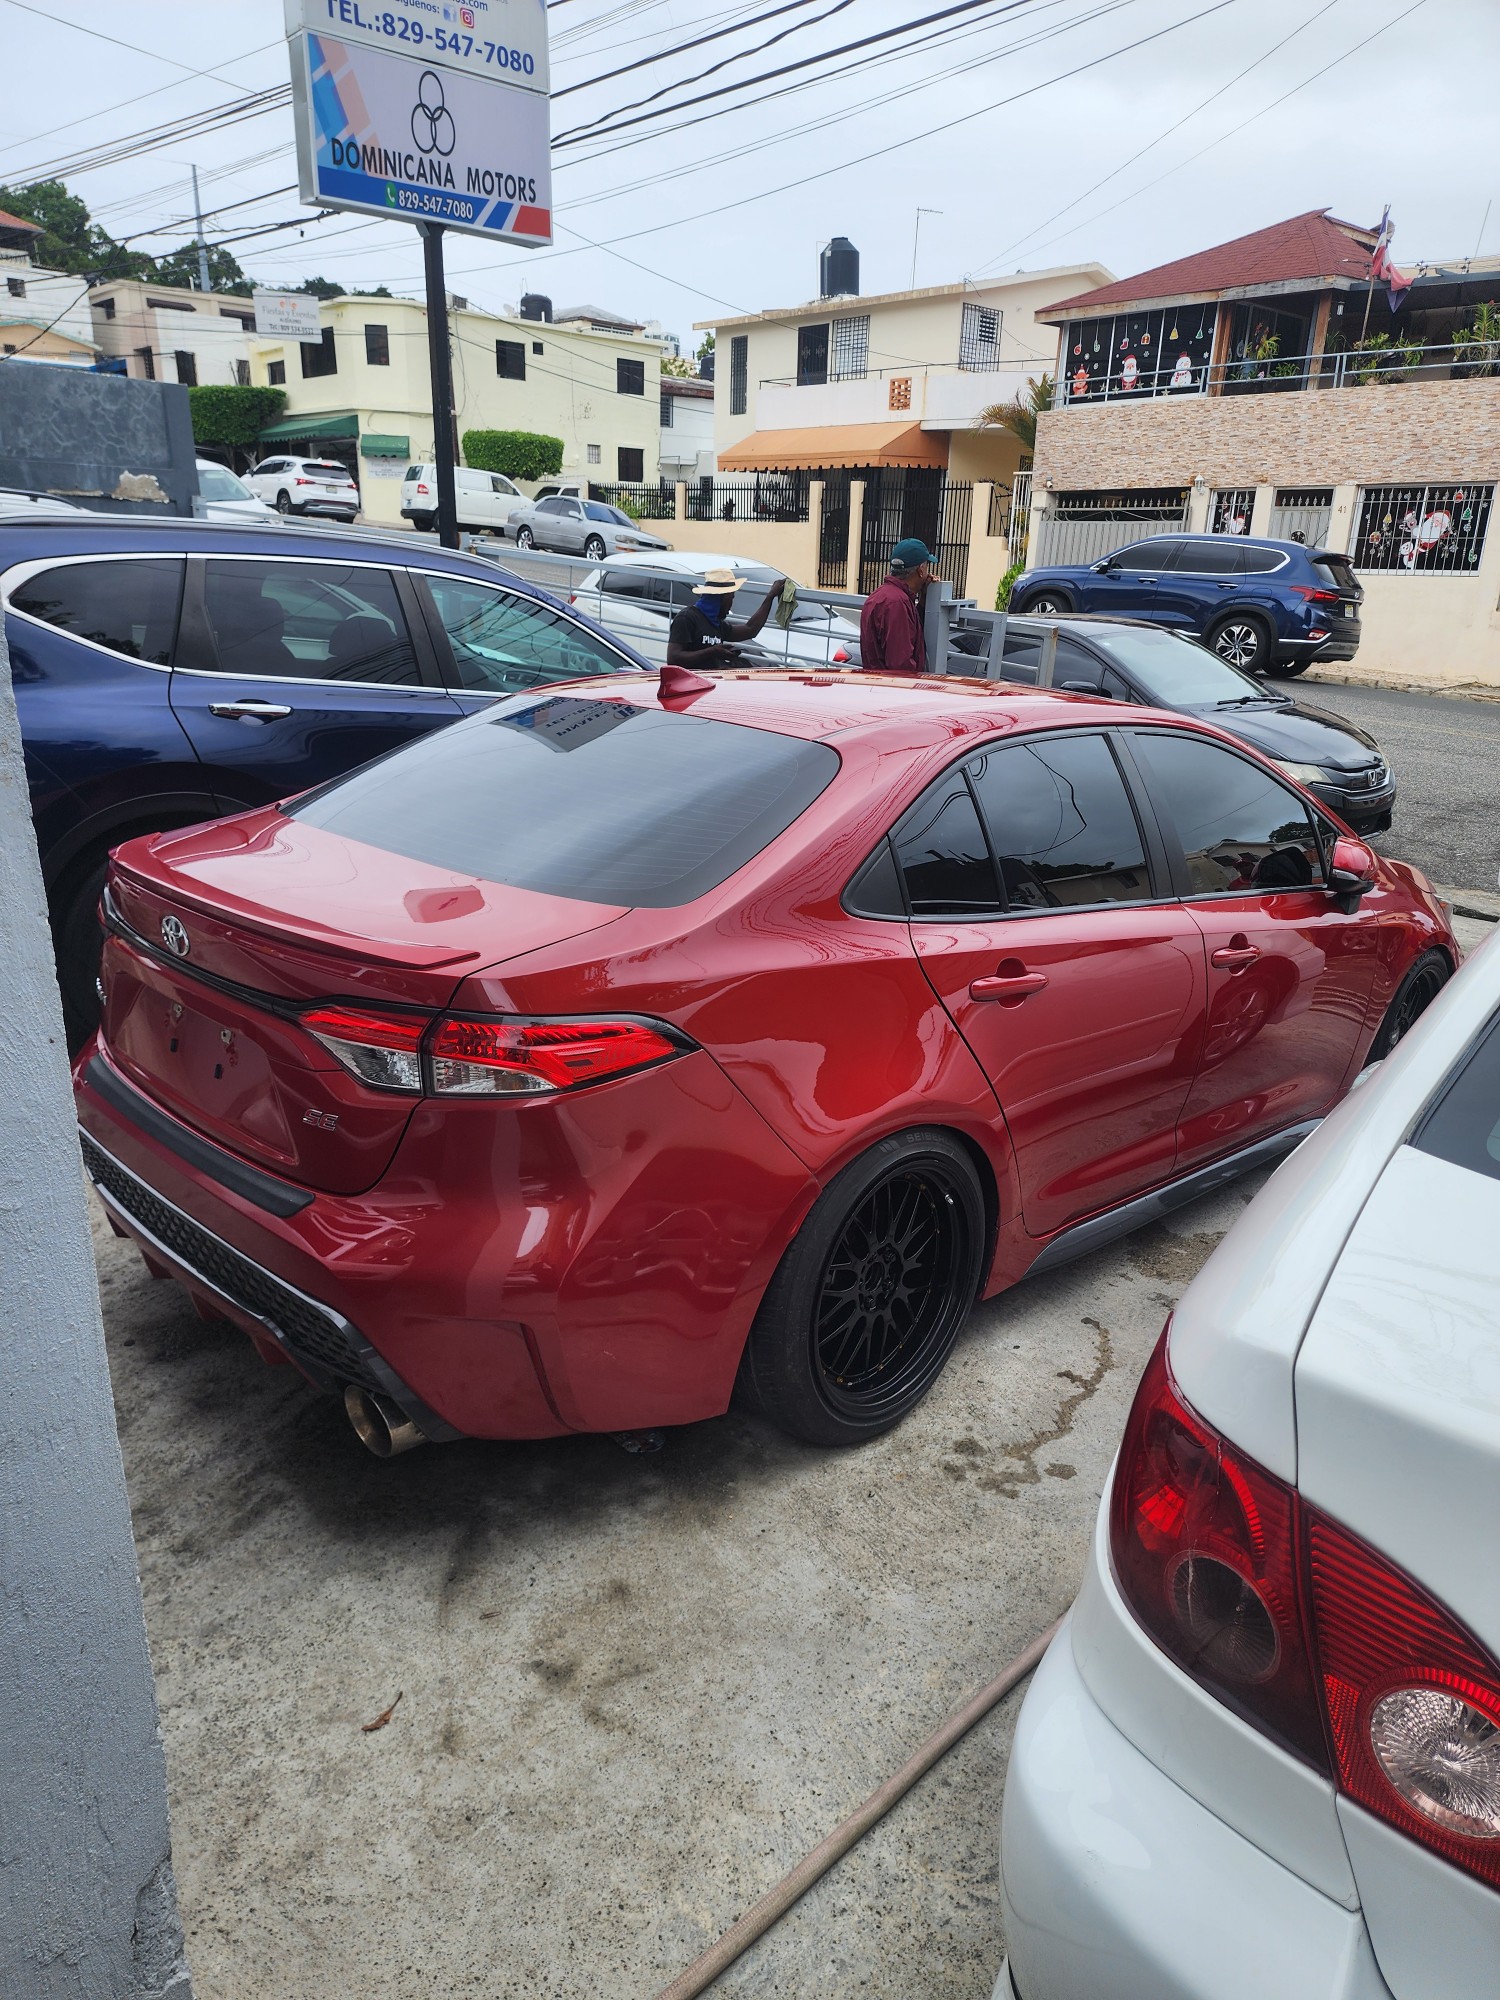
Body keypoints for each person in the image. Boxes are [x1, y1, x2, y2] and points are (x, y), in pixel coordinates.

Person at [667, 566, 784, 670]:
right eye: (731, 598)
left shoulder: (716, 623)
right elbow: (673, 658)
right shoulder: (687, 618)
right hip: (691, 686)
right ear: (722, 598)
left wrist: (771, 596)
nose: (731, 604)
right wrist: (712, 652)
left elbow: (750, 629)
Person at [859, 538, 934, 675]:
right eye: (927, 566)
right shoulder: (898, 603)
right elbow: (900, 664)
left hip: (876, 684)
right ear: (921, 570)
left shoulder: (880, 595)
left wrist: (923, 600)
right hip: (893, 690)